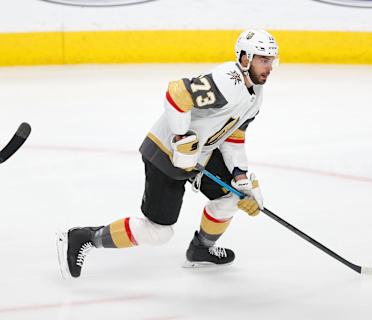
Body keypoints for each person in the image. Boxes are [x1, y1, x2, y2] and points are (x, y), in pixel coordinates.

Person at [56, 29, 280, 279]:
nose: (269, 67)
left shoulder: (256, 95)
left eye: (271, 60)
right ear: (245, 58)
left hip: (200, 155)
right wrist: (181, 138)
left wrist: (241, 179)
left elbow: (233, 137)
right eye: (263, 59)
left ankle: (201, 249)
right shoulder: (228, 80)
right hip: (165, 153)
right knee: (158, 232)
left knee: (233, 196)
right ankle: (84, 238)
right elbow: (177, 93)